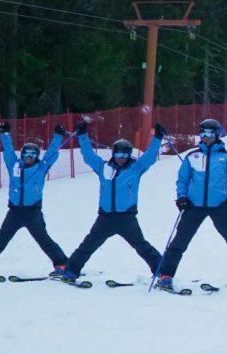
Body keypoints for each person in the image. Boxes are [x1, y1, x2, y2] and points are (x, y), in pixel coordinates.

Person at [156, 119, 227, 290]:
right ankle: (165, 275)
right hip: (194, 205)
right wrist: (182, 197)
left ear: (217, 135)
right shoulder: (192, 156)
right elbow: (182, 180)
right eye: (202, 133)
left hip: (220, 204)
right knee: (180, 240)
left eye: (209, 134)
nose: (205, 137)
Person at [60, 121, 165, 283]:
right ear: (113, 154)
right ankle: (71, 270)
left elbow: (150, 157)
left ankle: (162, 271)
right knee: (88, 245)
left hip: (126, 217)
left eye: (125, 155)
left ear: (129, 155)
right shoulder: (104, 168)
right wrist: (82, 136)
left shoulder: (136, 168)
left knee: (141, 245)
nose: (121, 158)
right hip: (105, 217)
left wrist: (157, 138)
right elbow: (88, 156)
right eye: (118, 155)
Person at [0, 122, 69, 279]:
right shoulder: (13, 165)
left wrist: (58, 135)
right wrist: (5, 134)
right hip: (15, 212)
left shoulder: (41, 167)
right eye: (27, 154)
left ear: (37, 156)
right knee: (0, 240)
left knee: (43, 239)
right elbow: (8, 151)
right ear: (22, 155)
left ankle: (62, 264)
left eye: (33, 154)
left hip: (33, 212)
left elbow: (52, 152)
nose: (29, 157)